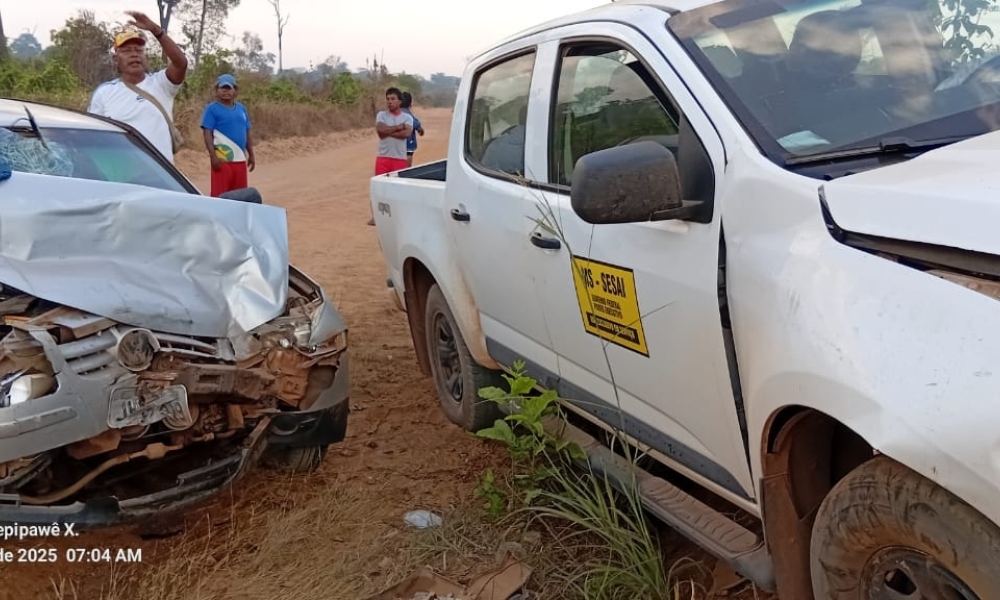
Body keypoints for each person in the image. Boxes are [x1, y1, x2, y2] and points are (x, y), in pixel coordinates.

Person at [87, 11, 188, 164]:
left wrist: (156, 30)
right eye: (127, 51)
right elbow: (95, 136)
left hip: (162, 174)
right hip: (123, 174)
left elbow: (181, 63)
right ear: (116, 59)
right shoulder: (104, 93)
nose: (134, 54)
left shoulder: (161, 84)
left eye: (139, 50)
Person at [200, 74, 255, 197]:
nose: (226, 91)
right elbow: (207, 132)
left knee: (240, 196)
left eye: (229, 88)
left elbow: (247, 132)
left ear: (235, 90)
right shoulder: (212, 109)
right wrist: (213, 156)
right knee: (220, 196)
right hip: (222, 160)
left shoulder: (241, 109)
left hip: (240, 159)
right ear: (216, 90)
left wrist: (251, 154)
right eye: (222, 88)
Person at [370, 87, 413, 224]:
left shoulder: (407, 117)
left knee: (398, 189)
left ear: (400, 101)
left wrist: (387, 131)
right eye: (388, 99)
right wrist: (397, 128)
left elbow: (406, 134)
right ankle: (377, 216)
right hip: (383, 157)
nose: (390, 102)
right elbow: (380, 132)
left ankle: (397, 215)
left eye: (393, 99)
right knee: (379, 189)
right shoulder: (381, 115)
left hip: (399, 158)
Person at [400, 91, 425, 167]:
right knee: (409, 153)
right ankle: (406, 169)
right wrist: (420, 130)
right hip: (407, 143)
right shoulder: (408, 115)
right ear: (410, 104)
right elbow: (416, 124)